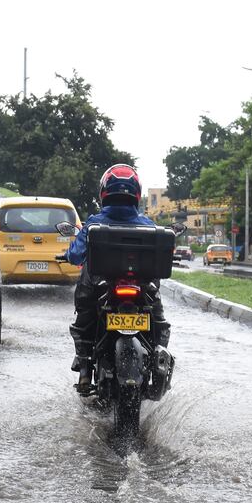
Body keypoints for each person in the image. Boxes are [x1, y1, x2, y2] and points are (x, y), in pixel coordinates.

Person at [65, 164, 170, 395]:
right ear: (136, 194)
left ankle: (84, 368)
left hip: (101, 289)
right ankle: (161, 358)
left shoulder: (93, 224)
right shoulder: (149, 226)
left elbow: (74, 256)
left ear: (105, 193)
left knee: (84, 321)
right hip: (142, 290)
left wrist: (67, 254)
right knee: (159, 319)